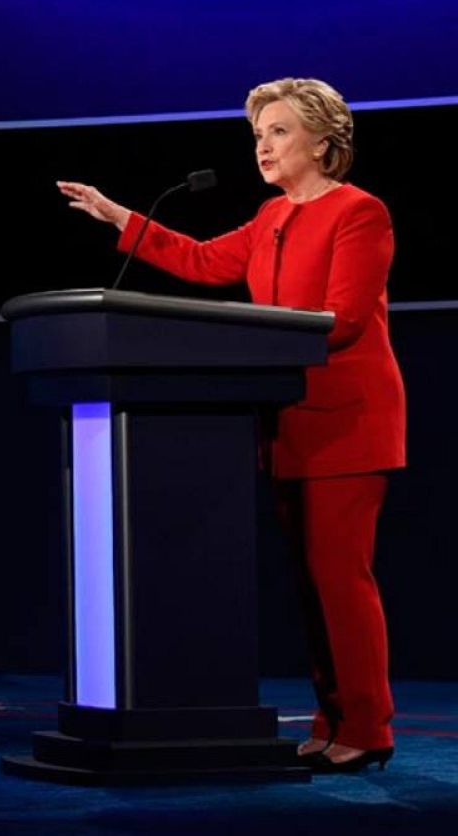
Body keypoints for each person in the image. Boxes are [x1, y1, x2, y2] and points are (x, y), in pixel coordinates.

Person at [56, 78, 403, 774]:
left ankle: (369, 725)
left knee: (341, 580)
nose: (263, 147)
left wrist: (254, 345)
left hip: (347, 423)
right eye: (257, 136)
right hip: (283, 419)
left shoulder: (359, 212)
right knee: (309, 585)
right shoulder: (270, 217)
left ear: (323, 140)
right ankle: (332, 715)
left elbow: (348, 319)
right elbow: (205, 260)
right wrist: (121, 216)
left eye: (277, 132)